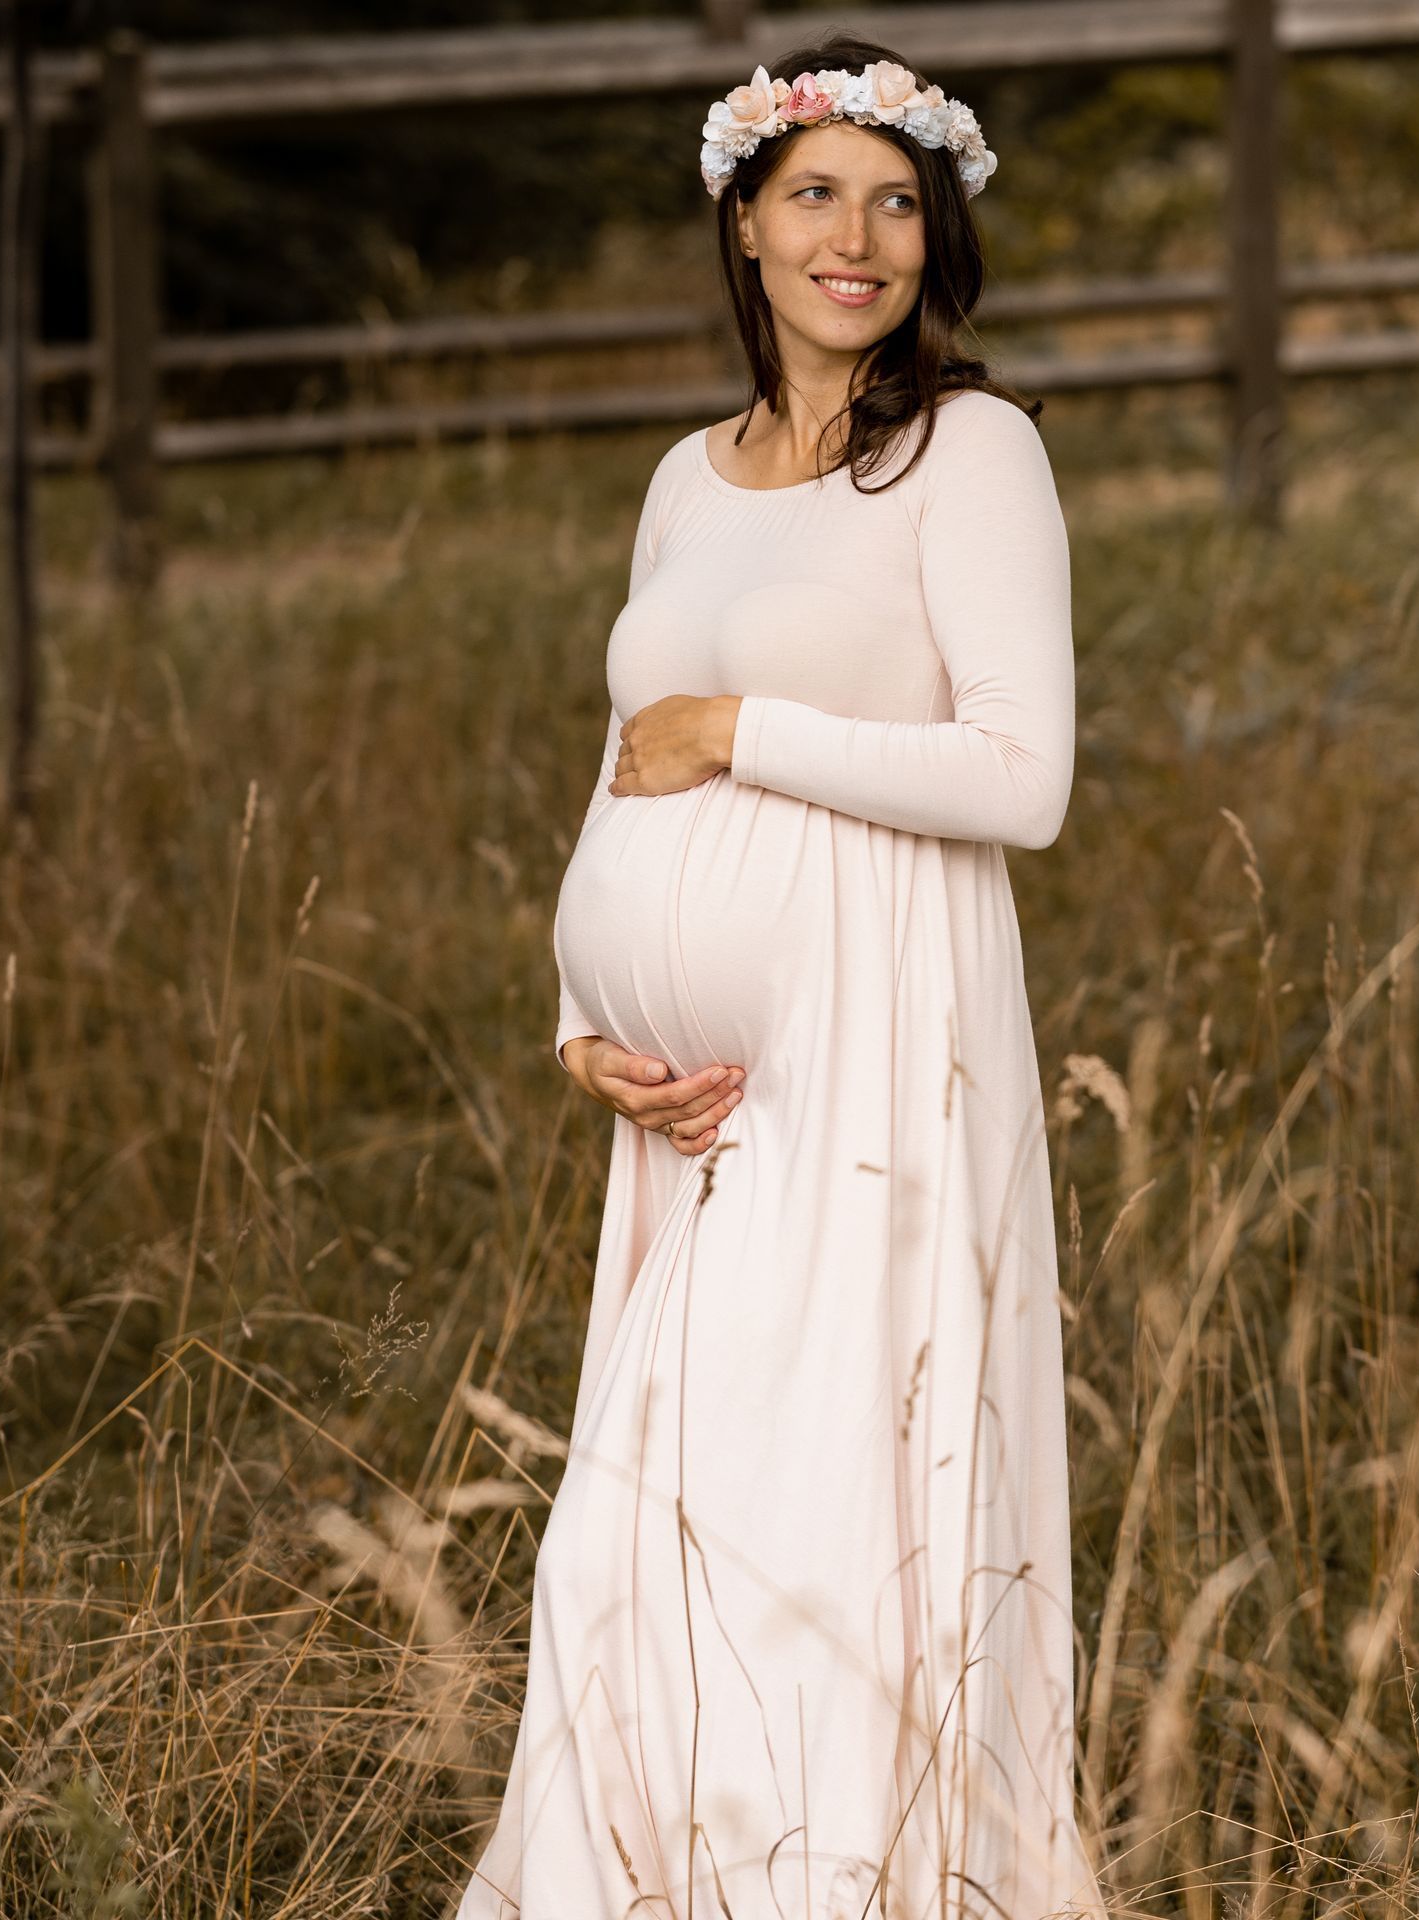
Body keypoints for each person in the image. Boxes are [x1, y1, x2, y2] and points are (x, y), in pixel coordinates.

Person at [455, 31, 1107, 1920]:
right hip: (683, 1114)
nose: (860, 237)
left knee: (823, 1511)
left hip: (879, 1047)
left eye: (898, 204)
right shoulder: (685, 477)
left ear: (935, 238)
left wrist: (750, 728)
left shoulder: (966, 453)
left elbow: (1024, 780)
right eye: (816, 194)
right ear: (745, 225)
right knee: (641, 1528)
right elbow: (621, 759)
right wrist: (587, 1027)